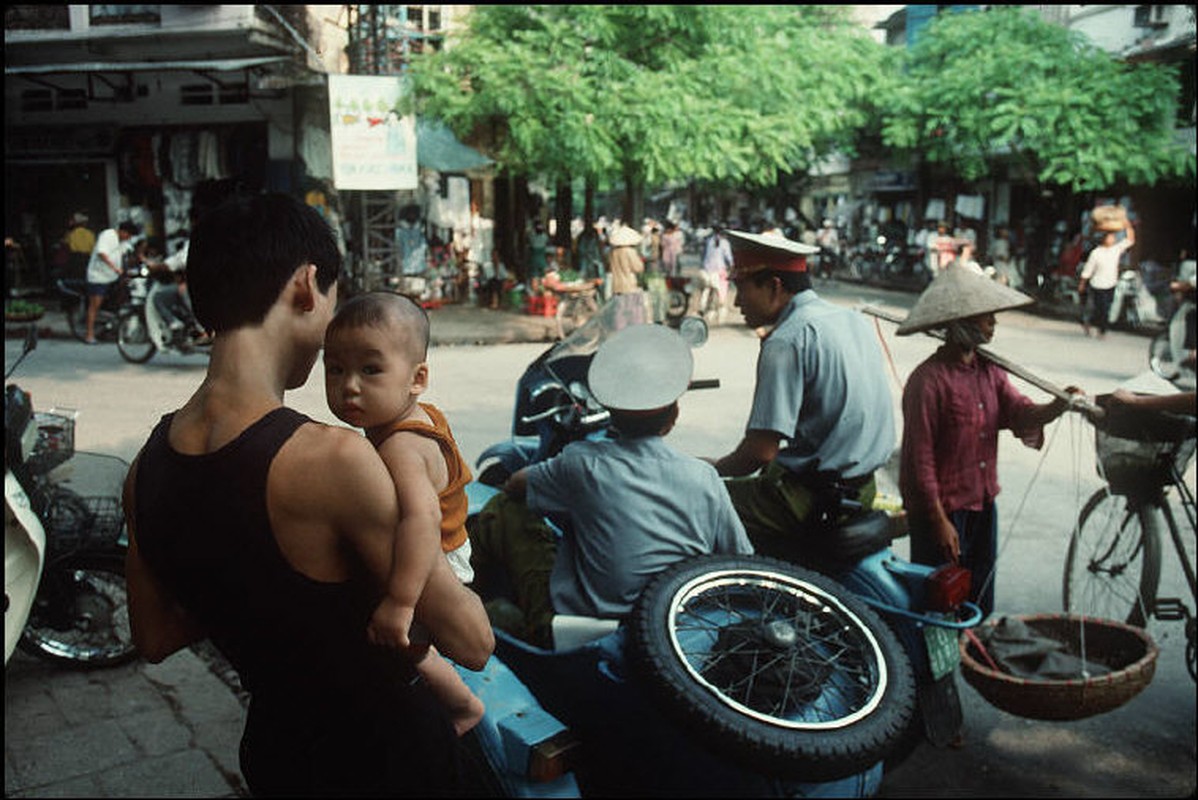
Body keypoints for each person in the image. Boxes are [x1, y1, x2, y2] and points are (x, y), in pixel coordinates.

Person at [122, 193, 494, 796]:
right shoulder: (333, 459)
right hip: (388, 762)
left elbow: (155, 637)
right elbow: (471, 642)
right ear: (304, 285)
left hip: (277, 755)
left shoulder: (146, 469)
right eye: (332, 299)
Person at [469, 324, 753, 648]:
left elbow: (516, 486)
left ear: (611, 414)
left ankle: (464, 603)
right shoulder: (704, 477)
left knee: (505, 509)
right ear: (673, 417)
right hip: (680, 633)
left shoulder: (581, 464)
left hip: (590, 631)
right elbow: (741, 558)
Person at [323, 291, 486, 737]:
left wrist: (400, 601)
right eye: (335, 369)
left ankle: (463, 704)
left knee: (403, 643)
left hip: (435, 555)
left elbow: (421, 520)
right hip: (441, 545)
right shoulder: (415, 416)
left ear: (417, 378)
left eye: (371, 370)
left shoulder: (400, 445)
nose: (349, 385)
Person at [896, 264, 1084, 617]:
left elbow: (1020, 413)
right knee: (940, 603)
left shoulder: (989, 372)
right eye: (986, 318)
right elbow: (919, 462)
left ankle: (970, 658)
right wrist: (938, 521)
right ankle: (934, 672)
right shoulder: (928, 381)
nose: (993, 324)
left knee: (977, 599)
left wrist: (1058, 406)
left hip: (982, 505)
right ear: (961, 322)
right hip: (944, 511)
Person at [709, 230, 897, 565]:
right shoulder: (851, 320)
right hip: (862, 487)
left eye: (742, 288)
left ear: (774, 287)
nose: (737, 303)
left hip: (811, 498)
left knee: (696, 500)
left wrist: (711, 470)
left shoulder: (787, 339)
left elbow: (758, 453)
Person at [1079, 218, 1135, 338]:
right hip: (1097, 284)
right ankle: (1090, 325)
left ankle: (1101, 330)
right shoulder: (1096, 253)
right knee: (1097, 308)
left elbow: (1130, 240)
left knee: (1105, 309)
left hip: (1110, 283)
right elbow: (1088, 270)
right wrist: (1082, 284)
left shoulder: (1116, 250)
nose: (1113, 239)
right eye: (1110, 237)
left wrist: (1128, 226)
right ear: (1104, 239)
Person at [84, 220, 139, 344]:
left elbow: (130, 254)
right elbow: (102, 253)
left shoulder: (124, 241)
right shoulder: (107, 235)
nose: (129, 238)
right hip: (98, 276)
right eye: (128, 235)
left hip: (113, 277)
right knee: (95, 305)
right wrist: (115, 268)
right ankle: (89, 334)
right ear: (122, 231)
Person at [701, 226, 735, 319]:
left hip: (707, 270)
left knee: (707, 289)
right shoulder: (725, 243)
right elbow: (729, 258)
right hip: (719, 271)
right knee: (722, 290)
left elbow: (703, 256)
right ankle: (721, 306)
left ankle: (705, 308)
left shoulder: (708, 241)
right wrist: (732, 268)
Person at [607, 225, 644, 294]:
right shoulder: (629, 251)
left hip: (616, 285)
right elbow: (638, 268)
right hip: (628, 285)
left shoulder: (613, 252)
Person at [63, 211, 95, 279]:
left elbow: (66, 245)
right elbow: (93, 247)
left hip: (75, 258)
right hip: (87, 258)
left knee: (76, 277)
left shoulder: (71, 234)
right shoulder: (90, 233)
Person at [526, 221, 549, 293]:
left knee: (534, 276)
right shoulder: (545, 237)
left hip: (533, 259)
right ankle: (542, 292)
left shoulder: (531, 236)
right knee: (542, 276)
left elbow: (529, 240)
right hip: (542, 259)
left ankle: (534, 293)